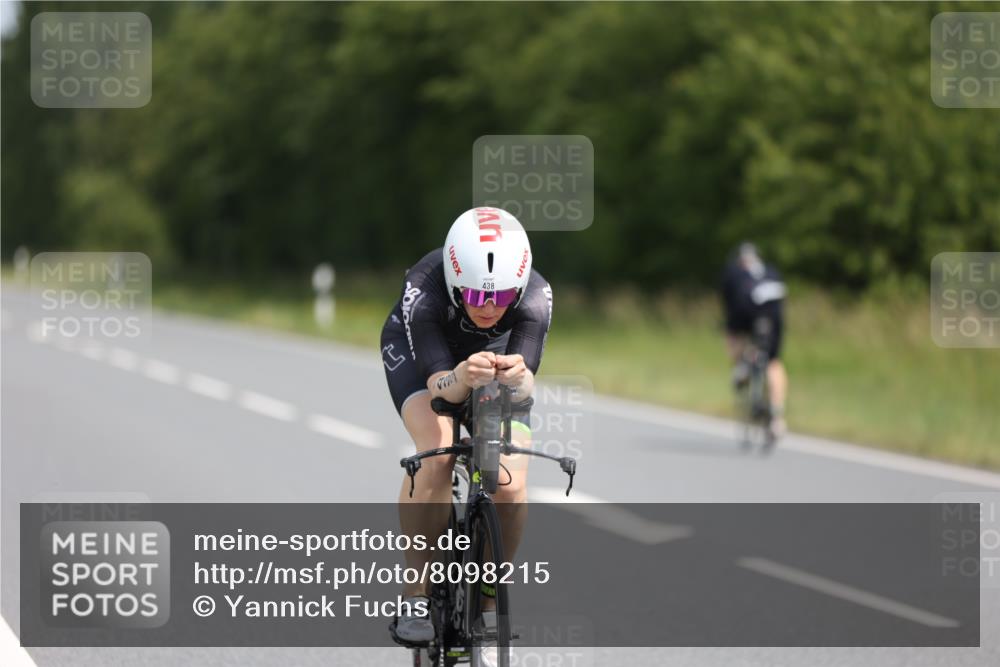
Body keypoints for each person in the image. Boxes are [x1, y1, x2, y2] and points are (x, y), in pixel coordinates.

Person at [380, 207, 552, 652]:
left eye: (501, 298)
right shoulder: (425, 288)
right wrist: (461, 376)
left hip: (491, 362)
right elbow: (440, 387)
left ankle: (492, 597)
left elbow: (528, 384)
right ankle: (416, 596)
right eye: (475, 296)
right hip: (427, 359)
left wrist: (518, 378)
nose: (490, 307)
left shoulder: (535, 297)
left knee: (510, 483)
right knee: (438, 452)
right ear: (457, 284)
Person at [720, 242, 788, 438]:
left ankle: (741, 367)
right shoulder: (771, 271)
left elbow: (728, 304)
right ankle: (777, 417)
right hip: (773, 318)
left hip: (744, 313)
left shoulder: (734, 272)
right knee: (774, 363)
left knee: (734, 335)